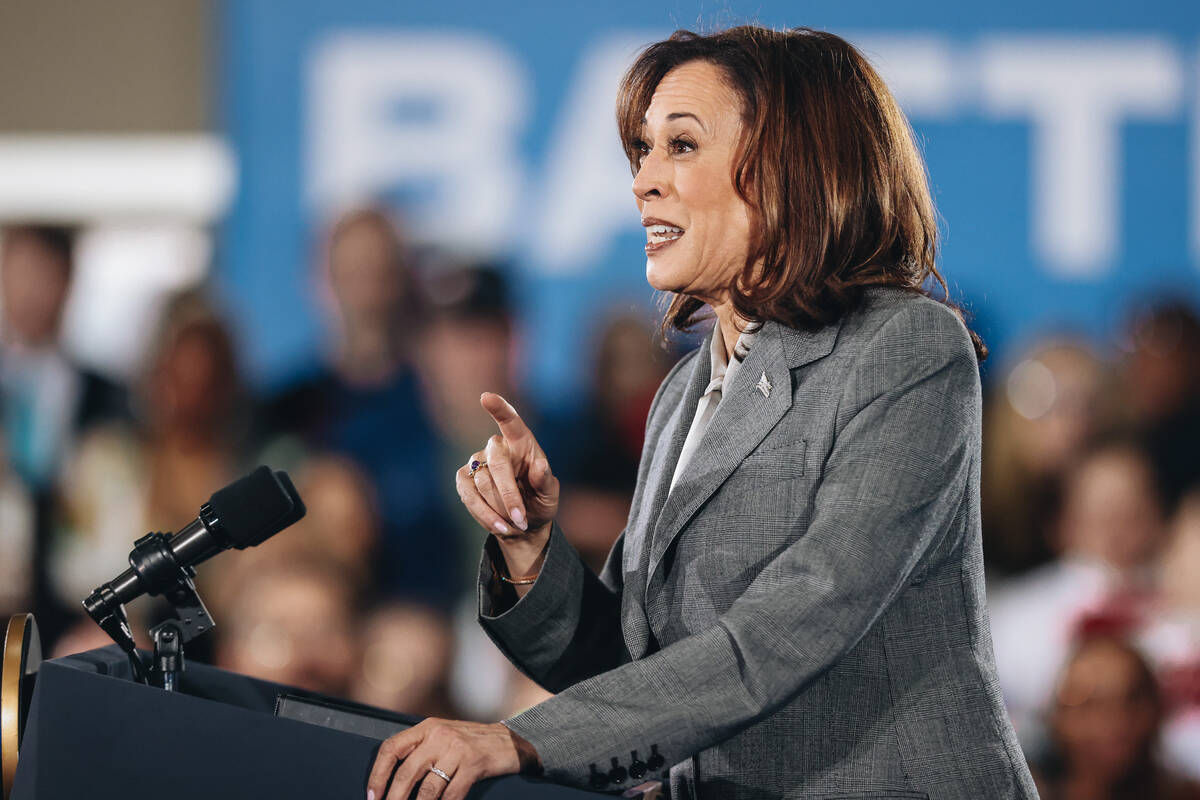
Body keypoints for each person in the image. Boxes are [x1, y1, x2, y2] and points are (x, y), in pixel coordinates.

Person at [368, 26, 1037, 800]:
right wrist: (529, 547)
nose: (644, 180)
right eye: (642, 151)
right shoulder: (685, 393)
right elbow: (633, 674)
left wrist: (524, 737)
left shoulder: (906, 348)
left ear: (790, 168)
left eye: (680, 146)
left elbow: (794, 626)